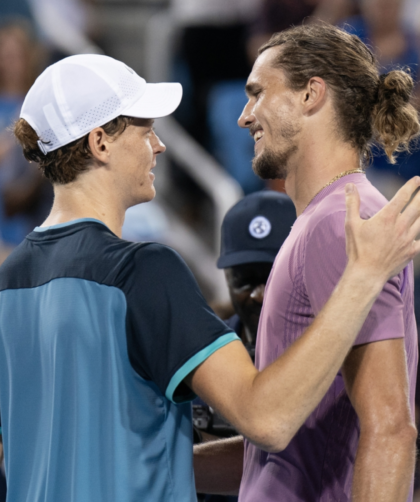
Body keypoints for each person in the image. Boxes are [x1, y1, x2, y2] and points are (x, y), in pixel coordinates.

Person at [0, 53, 419, 502]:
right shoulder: (141, 271)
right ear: (100, 142)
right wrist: (362, 277)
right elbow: (268, 419)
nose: (158, 145)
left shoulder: (9, 281)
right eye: (146, 129)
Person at [195, 24, 420, 502]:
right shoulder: (329, 218)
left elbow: (390, 429)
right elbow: (291, 450)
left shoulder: (339, 224)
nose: (244, 117)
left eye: (256, 93)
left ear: (310, 94)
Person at [194, 190, 296, 502]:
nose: (260, 295)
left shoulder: (336, 356)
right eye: (244, 280)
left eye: (273, 276)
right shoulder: (199, 358)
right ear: (226, 278)